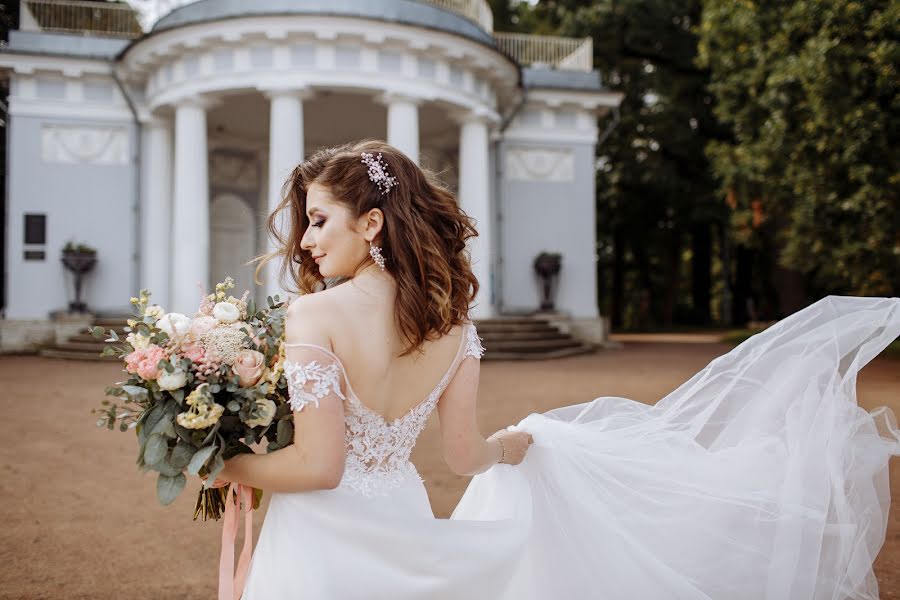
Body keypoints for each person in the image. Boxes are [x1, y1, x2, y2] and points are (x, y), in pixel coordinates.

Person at [212, 139, 900, 600]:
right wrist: (511, 448)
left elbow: (320, 467)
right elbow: (462, 456)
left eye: (318, 220)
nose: (304, 240)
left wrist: (225, 465)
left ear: (370, 224)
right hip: (402, 514)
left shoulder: (313, 317)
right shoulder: (453, 327)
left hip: (324, 538)